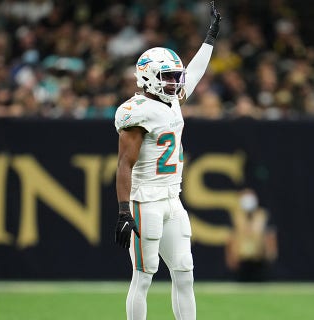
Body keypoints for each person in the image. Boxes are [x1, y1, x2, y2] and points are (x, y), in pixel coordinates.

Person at [113, 2, 221, 319]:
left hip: (173, 198)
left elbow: (196, 73)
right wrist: (123, 210)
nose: (175, 82)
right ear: (147, 78)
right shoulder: (138, 111)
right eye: (169, 76)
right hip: (145, 200)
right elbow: (124, 165)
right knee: (144, 276)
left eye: (175, 76)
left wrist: (210, 37)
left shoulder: (170, 97)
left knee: (185, 271)